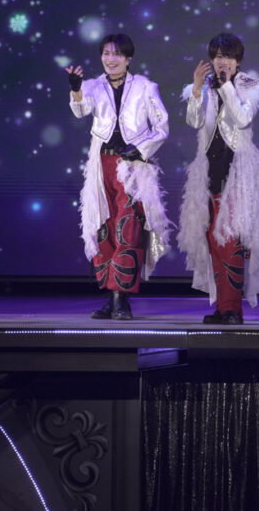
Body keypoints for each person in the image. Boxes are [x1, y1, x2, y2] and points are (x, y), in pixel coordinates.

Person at [66, 33, 170, 320]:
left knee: (128, 228)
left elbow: (162, 126)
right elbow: (80, 111)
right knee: (104, 228)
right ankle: (112, 298)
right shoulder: (93, 85)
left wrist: (141, 148)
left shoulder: (145, 87)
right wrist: (76, 89)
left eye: (116, 54)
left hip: (132, 166)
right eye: (106, 53)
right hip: (101, 165)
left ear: (128, 58)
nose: (110, 59)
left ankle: (121, 298)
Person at [178, 33, 259, 324]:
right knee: (213, 241)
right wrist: (197, 90)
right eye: (218, 56)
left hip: (239, 174)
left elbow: (242, 119)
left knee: (230, 240)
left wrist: (226, 87)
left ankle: (232, 309)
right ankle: (222, 307)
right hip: (208, 172)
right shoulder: (203, 87)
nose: (223, 62)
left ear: (238, 60)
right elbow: (194, 121)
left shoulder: (251, 87)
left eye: (228, 57)